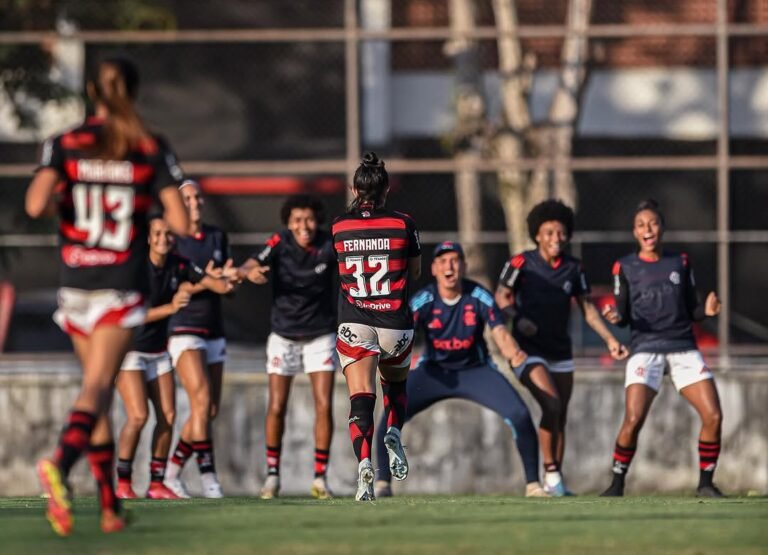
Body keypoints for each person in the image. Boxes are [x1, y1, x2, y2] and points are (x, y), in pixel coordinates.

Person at [27, 57, 188, 535]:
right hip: (119, 283)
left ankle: (109, 508)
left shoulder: (64, 143)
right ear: (133, 93)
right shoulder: (146, 145)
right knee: (98, 387)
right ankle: (59, 462)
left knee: (94, 393)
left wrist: (72, 188)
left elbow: (36, 203)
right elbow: (180, 222)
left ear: (90, 92)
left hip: (75, 282)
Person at [373, 241, 547, 498]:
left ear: (464, 266)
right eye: (443, 261)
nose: (449, 266)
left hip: (475, 371)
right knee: (389, 419)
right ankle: (382, 483)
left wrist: (515, 354)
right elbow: (402, 335)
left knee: (520, 414)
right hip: (434, 372)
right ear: (433, 269)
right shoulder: (425, 299)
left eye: (455, 260)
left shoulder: (478, 295)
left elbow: (499, 330)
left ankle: (533, 485)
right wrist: (386, 362)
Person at [495, 199, 628, 496]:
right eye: (549, 232)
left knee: (560, 414)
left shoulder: (573, 268)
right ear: (537, 235)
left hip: (561, 351)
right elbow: (501, 297)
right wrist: (518, 318)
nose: (556, 238)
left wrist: (611, 340)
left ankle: (556, 481)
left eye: (561, 232)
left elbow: (588, 310)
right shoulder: (521, 263)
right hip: (528, 351)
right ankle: (551, 473)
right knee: (551, 404)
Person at [600, 199, 724, 497]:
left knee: (714, 416)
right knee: (633, 419)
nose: (648, 229)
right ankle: (616, 484)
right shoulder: (625, 266)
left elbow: (692, 309)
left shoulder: (680, 262)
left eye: (653, 223)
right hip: (646, 349)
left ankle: (706, 484)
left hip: (683, 347)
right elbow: (623, 314)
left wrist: (705, 311)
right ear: (634, 232)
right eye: (641, 225)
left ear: (662, 228)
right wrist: (616, 318)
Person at [115, 215, 233, 500]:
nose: (163, 239)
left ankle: (157, 482)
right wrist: (170, 307)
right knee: (139, 416)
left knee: (168, 416)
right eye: (157, 234)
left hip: (158, 352)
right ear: (148, 237)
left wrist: (229, 277)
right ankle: (123, 482)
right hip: (130, 350)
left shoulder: (178, 263)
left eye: (168, 234)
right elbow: (134, 314)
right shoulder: (136, 268)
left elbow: (211, 283)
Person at [331, 152, 421, 501]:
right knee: (394, 390)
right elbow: (413, 272)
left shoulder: (339, 225)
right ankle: (395, 429)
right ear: (386, 190)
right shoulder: (404, 224)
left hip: (356, 322)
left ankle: (364, 466)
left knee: (360, 401)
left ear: (354, 188)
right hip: (395, 324)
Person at [235, 195, 338, 500]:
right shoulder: (279, 241)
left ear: (316, 220)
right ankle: (272, 476)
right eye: (296, 220)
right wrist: (247, 273)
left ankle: (320, 477)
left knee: (324, 405)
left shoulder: (330, 243)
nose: (303, 226)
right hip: (283, 336)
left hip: (321, 336)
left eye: (308, 219)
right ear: (288, 222)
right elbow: (250, 264)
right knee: (277, 406)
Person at [163, 179, 235, 499]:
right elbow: (173, 290)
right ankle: (209, 477)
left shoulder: (217, 236)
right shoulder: (172, 240)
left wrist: (231, 279)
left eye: (197, 197)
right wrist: (209, 281)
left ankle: (170, 473)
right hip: (183, 328)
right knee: (201, 401)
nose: (195, 202)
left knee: (209, 410)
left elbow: (225, 282)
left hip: (214, 329)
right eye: (188, 198)